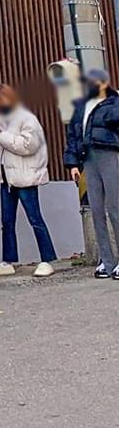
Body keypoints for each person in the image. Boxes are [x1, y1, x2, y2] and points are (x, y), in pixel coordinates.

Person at [0, 83, 57, 279]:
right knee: (7, 221)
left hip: (25, 177)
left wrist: (1, 136)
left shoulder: (27, 118)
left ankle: (48, 259)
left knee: (35, 219)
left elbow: (27, 146)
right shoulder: (3, 120)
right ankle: (8, 261)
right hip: (6, 178)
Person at [64, 68, 119, 280]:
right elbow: (73, 136)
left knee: (115, 208)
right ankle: (106, 261)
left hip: (110, 153)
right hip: (88, 158)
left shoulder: (114, 101)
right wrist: (72, 163)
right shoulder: (81, 106)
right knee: (96, 210)